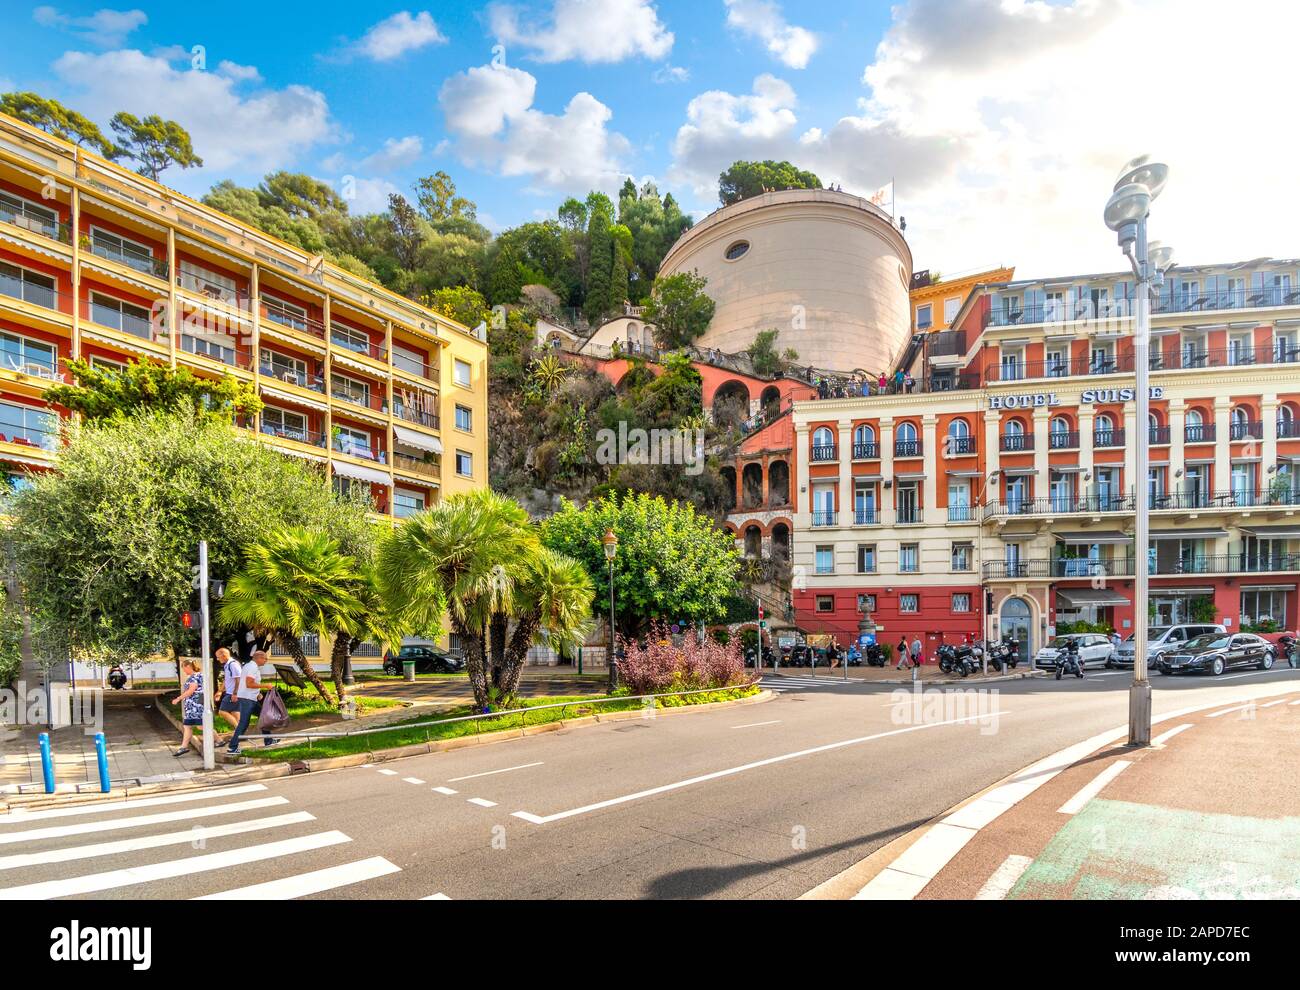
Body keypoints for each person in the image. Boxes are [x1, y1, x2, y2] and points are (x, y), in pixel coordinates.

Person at [227, 650, 275, 754]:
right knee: (243, 723)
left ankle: (269, 740)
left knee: (264, 717)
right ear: (258, 658)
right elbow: (249, 684)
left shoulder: (250, 666)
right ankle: (232, 747)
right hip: (247, 700)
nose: (266, 661)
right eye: (265, 658)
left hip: (251, 698)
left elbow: (246, 683)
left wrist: (257, 693)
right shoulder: (252, 667)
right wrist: (266, 686)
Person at [172, 659, 203, 757]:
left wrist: (178, 698)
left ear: (188, 667)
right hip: (193, 706)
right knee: (187, 726)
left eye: (183, 668)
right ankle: (183, 747)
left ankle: (218, 740)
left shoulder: (194, 677)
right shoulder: (198, 675)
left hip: (195, 706)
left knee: (201, 726)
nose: (184, 670)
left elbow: (191, 690)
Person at [216, 648, 241, 730]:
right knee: (235, 714)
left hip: (232, 693)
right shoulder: (227, 665)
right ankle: (239, 735)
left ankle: (238, 730)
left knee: (222, 712)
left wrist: (235, 693)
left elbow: (239, 679)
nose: (217, 659)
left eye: (218, 657)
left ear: (224, 655)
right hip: (230, 693)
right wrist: (220, 691)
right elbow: (226, 679)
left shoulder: (233, 664)